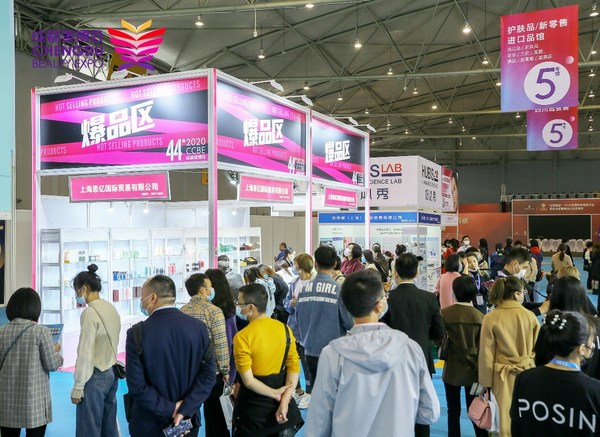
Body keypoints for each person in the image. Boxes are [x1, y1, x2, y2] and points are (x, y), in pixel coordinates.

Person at [305, 270, 440, 436]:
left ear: (346, 306)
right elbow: (430, 412)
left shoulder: (332, 354)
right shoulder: (410, 348)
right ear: (379, 305)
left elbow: (318, 422)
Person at [126, 275, 215, 437]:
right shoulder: (199, 328)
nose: (141, 302)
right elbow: (208, 376)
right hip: (186, 422)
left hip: (149, 423)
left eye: (142, 296)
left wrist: (170, 408)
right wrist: (185, 408)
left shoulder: (137, 333)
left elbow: (136, 386)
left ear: (153, 298)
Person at [510, 310, 600, 437]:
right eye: (591, 342)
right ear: (581, 349)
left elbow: (516, 429)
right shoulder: (594, 391)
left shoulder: (524, 379)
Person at [384, 252, 444, 437]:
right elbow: (439, 331)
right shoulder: (429, 298)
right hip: (422, 358)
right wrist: (424, 337)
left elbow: (382, 331)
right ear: (417, 273)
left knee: (396, 408)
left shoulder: (388, 299)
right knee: (422, 408)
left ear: (395, 273)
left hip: (394, 359)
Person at [232, 283, 303, 436]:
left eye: (239, 303)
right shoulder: (284, 329)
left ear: (251, 307)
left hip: (253, 408)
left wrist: (275, 394)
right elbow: (294, 366)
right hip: (281, 402)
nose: (237, 306)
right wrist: (284, 400)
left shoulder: (242, 337)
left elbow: (248, 381)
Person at [478, 277, 539, 437]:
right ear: (516, 294)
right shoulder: (530, 316)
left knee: (504, 420)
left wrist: (486, 383)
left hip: (502, 376)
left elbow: (486, 354)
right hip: (528, 373)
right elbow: (538, 347)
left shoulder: (490, 318)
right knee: (527, 417)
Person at [0, 288, 63, 437]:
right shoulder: (41, 332)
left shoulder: (1, 332)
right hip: (34, 402)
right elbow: (52, 364)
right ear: (35, 308)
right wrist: (56, 351)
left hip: (6, 400)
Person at [295, 246, 353, 397]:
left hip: (310, 350)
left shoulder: (304, 290)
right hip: (334, 350)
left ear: (315, 264)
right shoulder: (339, 290)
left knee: (317, 395)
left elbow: (298, 320)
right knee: (336, 396)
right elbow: (349, 322)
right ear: (335, 263)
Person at [71, 264, 121, 437]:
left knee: (89, 428)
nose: (77, 295)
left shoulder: (90, 313)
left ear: (84, 288)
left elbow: (85, 352)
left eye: (76, 290)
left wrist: (78, 386)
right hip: (112, 373)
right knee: (109, 427)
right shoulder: (110, 308)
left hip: (94, 376)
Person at [181, 273, 231, 437]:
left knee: (187, 413)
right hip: (211, 372)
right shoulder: (213, 311)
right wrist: (225, 370)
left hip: (188, 372)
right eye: (210, 286)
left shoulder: (182, 311)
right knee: (216, 416)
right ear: (202, 290)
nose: (212, 289)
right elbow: (220, 343)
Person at [441, 276, 488, 437]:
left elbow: (438, 338)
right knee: (476, 408)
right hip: (474, 371)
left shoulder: (445, 314)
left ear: (454, 292)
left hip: (451, 368)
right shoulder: (481, 317)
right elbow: (484, 347)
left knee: (453, 410)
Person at [283, 252, 313, 403]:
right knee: (291, 362)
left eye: (294, 264)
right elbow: (286, 303)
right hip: (294, 328)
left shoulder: (315, 283)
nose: (293, 267)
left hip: (309, 330)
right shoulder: (294, 283)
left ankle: (309, 393)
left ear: (301, 266)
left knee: (307, 365)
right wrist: (291, 304)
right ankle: (298, 390)